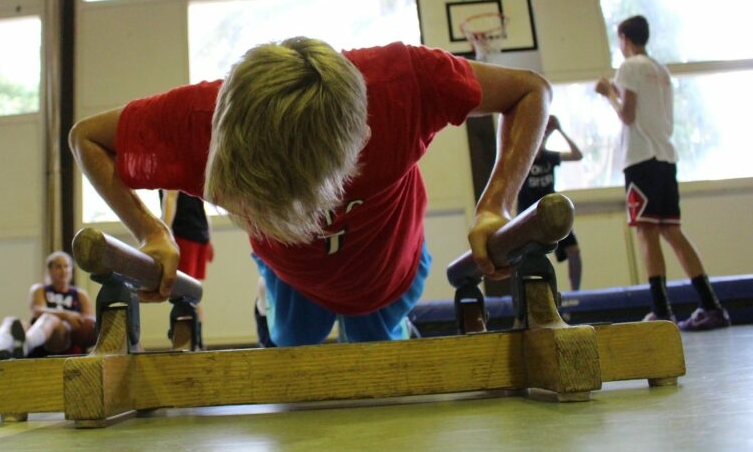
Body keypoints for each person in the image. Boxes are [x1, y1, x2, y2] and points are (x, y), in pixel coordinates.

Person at [70, 36, 550, 347]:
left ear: (362, 139)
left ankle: (390, 325)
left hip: (386, 264)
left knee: (377, 357)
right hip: (292, 275)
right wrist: (152, 232)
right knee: (292, 342)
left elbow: (529, 92)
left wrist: (497, 205)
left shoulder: (405, 84)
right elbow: (86, 139)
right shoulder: (196, 122)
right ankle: (271, 300)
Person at [596, 15, 730, 330]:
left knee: (646, 232)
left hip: (641, 158)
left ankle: (661, 309)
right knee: (672, 231)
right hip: (665, 158)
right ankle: (711, 304)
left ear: (624, 39)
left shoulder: (629, 67)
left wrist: (608, 94)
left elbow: (627, 115)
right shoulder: (661, 71)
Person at [0, 251, 97, 359]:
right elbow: (38, 310)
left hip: (63, 339)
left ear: (71, 270)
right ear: (50, 270)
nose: (63, 270)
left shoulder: (80, 294)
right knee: (11, 320)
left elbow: (86, 321)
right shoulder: (40, 289)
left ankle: (24, 346)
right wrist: (66, 314)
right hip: (40, 335)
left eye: (66, 266)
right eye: (58, 267)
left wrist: (63, 319)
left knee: (50, 318)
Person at [517, 114, 584, 291]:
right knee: (534, 257)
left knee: (574, 250)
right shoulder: (523, 158)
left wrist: (560, 131)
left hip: (552, 211)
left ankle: (576, 294)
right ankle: (535, 293)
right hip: (530, 214)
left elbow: (577, 155)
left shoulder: (549, 157)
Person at [160, 189, 213, 346]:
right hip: (200, 233)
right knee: (191, 294)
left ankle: (190, 343)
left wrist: (163, 235)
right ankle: (197, 343)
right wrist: (209, 237)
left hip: (184, 235)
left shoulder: (168, 172)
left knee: (182, 295)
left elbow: (170, 197)